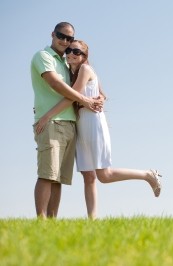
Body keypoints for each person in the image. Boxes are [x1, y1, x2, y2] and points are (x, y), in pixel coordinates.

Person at [35, 40, 162, 219]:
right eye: (69, 50)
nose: (71, 53)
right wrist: (100, 97)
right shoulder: (71, 71)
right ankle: (93, 220)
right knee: (88, 176)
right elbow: (102, 93)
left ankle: (147, 175)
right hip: (80, 126)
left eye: (77, 51)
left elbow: (73, 97)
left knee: (104, 175)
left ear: (84, 56)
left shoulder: (85, 70)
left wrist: (47, 115)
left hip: (93, 124)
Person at [31, 22, 102, 219]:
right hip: (50, 123)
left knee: (58, 178)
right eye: (61, 36)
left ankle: (52, 222)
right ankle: (41, 222)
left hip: (71, 124)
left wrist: (98, 98)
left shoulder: (66, 63)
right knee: (47, 174)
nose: (65, 41)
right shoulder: (43, 57)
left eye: (69, 39)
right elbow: (55, 84)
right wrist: (85, 100)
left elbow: (89, 86)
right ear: (53, 34)